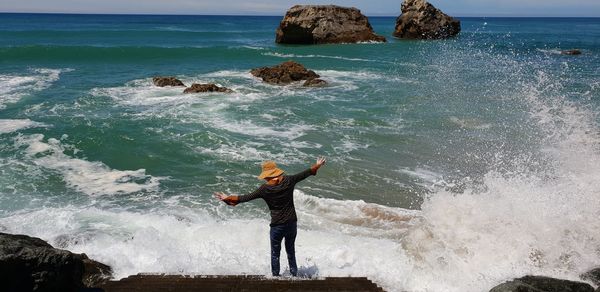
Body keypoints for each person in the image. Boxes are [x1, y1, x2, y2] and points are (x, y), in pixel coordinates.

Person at [214, 157, 326, 277]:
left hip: (277, 226)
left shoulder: (264, 189)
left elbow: (245, 198)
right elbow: (305, 173)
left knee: (275, 254)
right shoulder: (289, 180)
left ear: (267, 175)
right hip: (292, 223)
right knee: (291, 251)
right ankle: (295, 276)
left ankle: (275, 277)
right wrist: (317, 165)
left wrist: (227, 197)